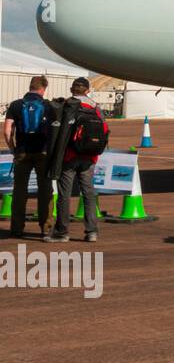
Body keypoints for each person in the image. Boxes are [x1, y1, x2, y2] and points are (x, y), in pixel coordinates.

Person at [48, 78, 108, 243]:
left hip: (69, 155)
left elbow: (57, 130)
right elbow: (105, 130)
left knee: (64, 194)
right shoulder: (96, 108)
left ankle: (62, 232)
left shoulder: (67, 105)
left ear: (71, 89)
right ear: (88, 91)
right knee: (88, 193)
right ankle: (92, 232)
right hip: (89, 156)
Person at [4, 75, 54, 239]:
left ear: (30, 86)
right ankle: (45, 228)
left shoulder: (16, 105)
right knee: (45, 190)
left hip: (22, 152)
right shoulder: (47, 106)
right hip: (43, 152)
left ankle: (17, 228)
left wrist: (13, 149)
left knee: (19, 191)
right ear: (43, 89)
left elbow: (7, 131)